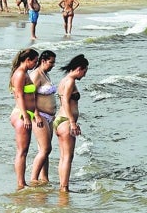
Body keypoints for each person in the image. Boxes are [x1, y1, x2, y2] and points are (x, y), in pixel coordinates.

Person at [54, 54, 88, 192]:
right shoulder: (70, 82)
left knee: (63, 157)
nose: (84, 75)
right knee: (68, 157)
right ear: (79, 69)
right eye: (84, 71)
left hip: (60, 121)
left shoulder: (64, 80)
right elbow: (66, 102)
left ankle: (62, 185)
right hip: (66, 122)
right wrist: (73, 122)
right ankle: (64, 188)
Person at [9, 48, 40, 189]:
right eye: (35, 61)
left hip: (25, 114)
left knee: (24, 150)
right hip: (22, 115)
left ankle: (22, 182)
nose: (36, 64)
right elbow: (20, 96)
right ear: (27, 60)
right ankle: (20, 183)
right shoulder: (20, 74)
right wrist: (26, 117)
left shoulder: (23, 73)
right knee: (22, 151)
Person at [29, 50, 57, 184]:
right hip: (40, 115)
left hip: (50, 117)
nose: (53, 65)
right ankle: (34, 179)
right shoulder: (36, 75)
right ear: (43, 61)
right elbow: (29, 96)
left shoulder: (46, 74)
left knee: (45, 150)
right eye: (51, 62)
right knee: (46, 149)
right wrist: (36, 115)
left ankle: (44, 178)